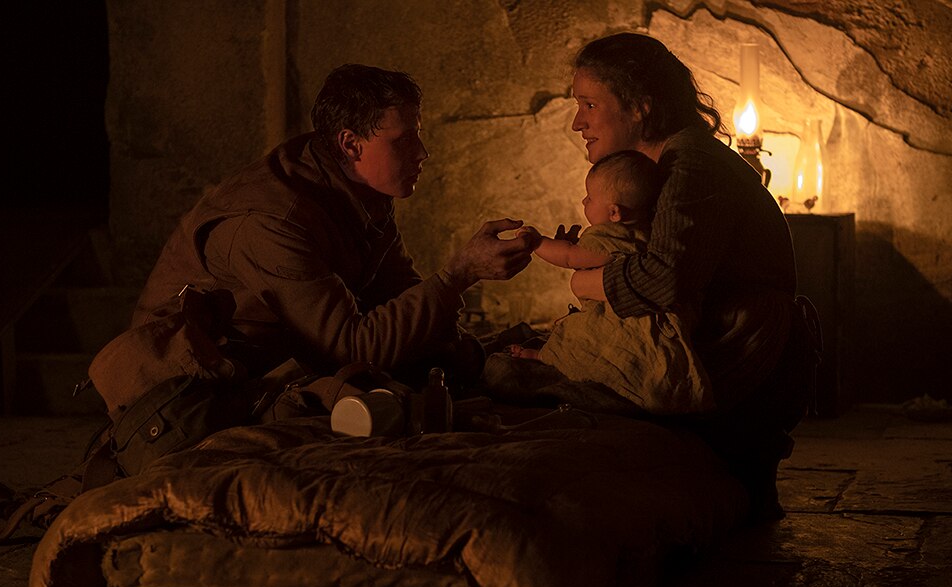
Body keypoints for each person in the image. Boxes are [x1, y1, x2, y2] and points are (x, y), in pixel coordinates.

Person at [131, 64, 538, 387]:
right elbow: (351, 347)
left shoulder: (358, 187)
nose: (423, 153)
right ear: (350, 143)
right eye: (403, 140)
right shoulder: (274, 221)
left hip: (281, 357)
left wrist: (465, 347)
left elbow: (397, 292)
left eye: (419, 136)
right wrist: (459, 275)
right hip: (191, 384)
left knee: (457, 364)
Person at [563, 33, 818, 518]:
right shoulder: (664, 164)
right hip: (715, 337)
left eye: (590, 104)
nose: (578, 123)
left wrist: (584, 283)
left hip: (739, 350)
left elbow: (664, 280)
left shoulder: (692, 164)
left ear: (640, 106)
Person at [509, 150, 715, 415]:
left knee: (580, 338)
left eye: (590, 198)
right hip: (654, 318)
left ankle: (546, 357)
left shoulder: (608, 235)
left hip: (620, 318)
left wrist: (538, 242)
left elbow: (571, 258)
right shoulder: (646, 232)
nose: (584, 200)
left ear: (614, 212)